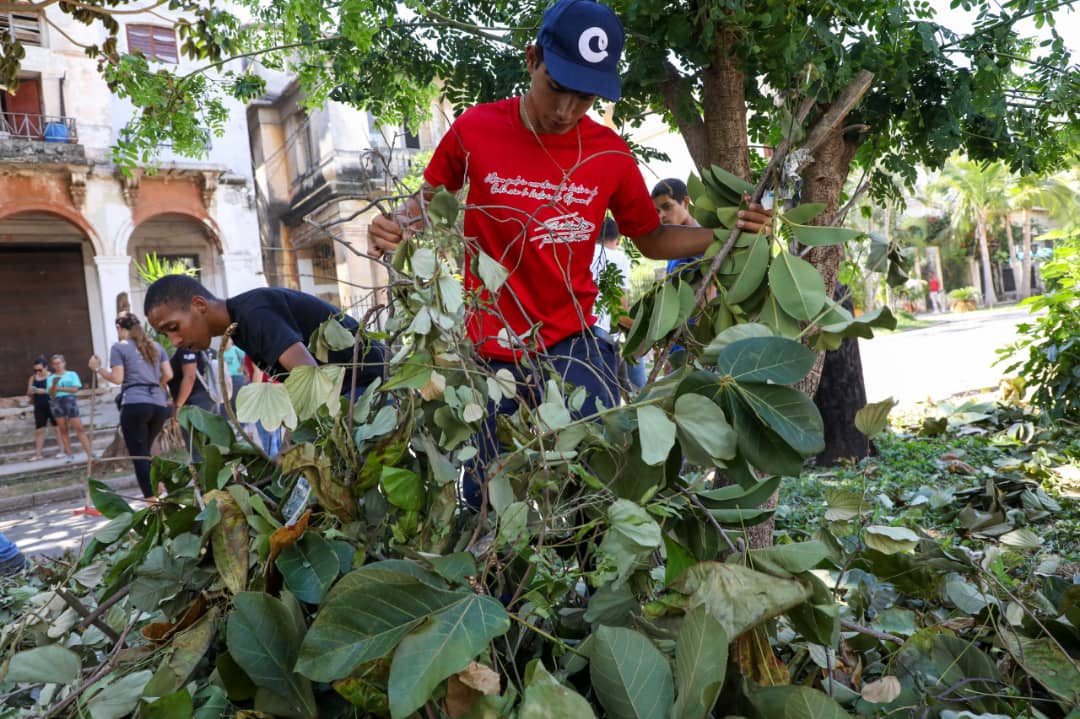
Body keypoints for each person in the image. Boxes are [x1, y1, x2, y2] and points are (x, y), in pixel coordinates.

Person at [367, 0, 771, 505]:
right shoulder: (475, 130)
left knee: (598, 487)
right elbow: (424, 206)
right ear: (533, 59)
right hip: (488, 353)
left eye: (583, 97)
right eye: (556, 88)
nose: (565, 112)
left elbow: (649, 238)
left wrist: (727, 234)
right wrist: (394, 226)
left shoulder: (611, 154)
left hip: (573, 346)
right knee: (487, 503)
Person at [143, 276, 385, 398]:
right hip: (349, 390)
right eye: (166, 334)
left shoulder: (254, 315)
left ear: (198, 304)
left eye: (173, 327)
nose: (175, 341)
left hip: (372, 387)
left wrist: (290, 442)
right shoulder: (240, 327)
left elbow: (310, 379)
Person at [88, 313, 173, 499]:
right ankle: (160, 488)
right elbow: (168, 374)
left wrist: (97, 369)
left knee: (139, 456)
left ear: (119, 328)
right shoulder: (156, 346)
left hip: (135, 403)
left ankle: (152, 501)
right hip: (158, 404)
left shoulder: (120, 347)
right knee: (146, 451)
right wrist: (156, 385)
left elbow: (117, 378)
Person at [590, 217, 646, 390]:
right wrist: (645, 331)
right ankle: (641, 397)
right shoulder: (618, 257)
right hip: (601, 333)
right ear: (618, 240)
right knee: (611, 394)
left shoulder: (583, 253)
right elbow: (620, 312)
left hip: (577, 331)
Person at [46, 354, 94, 462]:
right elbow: (52, 394)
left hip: (69, 401)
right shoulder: (51, 378)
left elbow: (75, 389)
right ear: (52, 366)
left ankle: (90, 453)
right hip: (56, 403)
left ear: (64, 363)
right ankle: (70, 455)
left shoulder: (72, 374)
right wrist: (54, 385)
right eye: (55, 364)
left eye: (59, 363)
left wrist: (59, 388)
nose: (57, 366)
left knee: (79, 428)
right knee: (63, 430)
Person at [26, 356, 62, 460]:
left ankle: (62, 450)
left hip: (52, 404)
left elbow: (56, 390)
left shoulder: (52, 377)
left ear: (46, 368)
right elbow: (28, 393)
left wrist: (44, 391)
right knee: (39, 430)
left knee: (57, 428)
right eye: (35, 370)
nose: (38, 372)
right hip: (39, 405)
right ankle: (38, 454)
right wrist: (32, 391)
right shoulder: (33, 378)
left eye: (40, 370)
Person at [221, 336, 247, 408]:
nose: (225, 342)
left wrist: (243, 367)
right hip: (225, 378)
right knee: (226, 399)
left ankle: (238, 416)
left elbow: (245, 357)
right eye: (223, 340)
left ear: (231, 341)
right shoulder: (220, 352)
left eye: (227, 340)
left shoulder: (235, 349)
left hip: (236, 376)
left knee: (237, 398)